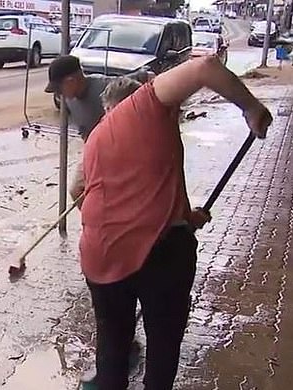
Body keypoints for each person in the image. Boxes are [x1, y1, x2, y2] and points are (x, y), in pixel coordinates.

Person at [62, 54, 272, 390]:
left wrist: (184, 217)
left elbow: (83, 191)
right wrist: (250, 107)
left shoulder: (97, 137)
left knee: (112, 350)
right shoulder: (146, 106)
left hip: (101, 254)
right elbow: (205, 67)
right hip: (162, 257)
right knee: (162, 348)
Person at [45, 55, 152, 140]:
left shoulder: (108, 88)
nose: (59, 95)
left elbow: (142, 77)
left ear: (71, 81)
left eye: (59, 89)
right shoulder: (70, 101)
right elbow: (84, 132)